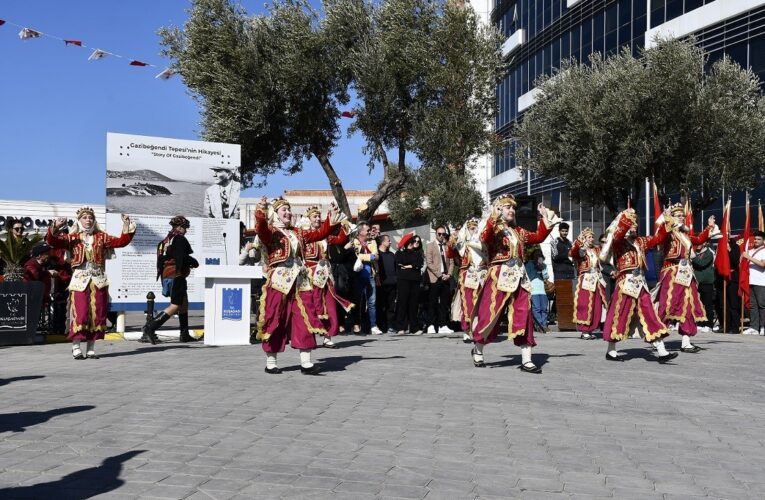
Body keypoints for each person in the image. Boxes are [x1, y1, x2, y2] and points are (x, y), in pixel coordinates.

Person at [248, 196, 342, 374]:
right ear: (275, 214)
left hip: (300, 281)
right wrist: (260, 210)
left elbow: (319, 234)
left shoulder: (298, 232)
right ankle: (271, 362)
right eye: (284, 210)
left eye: (289, 210)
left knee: (305, 317)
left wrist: (331, 217)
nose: (288, 213)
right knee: (276, 318)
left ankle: (306, 362)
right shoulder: (271, 231)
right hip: (279, 281)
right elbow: (260, 228)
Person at [471, 195, 560, 373]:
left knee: (524, 314)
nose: (511, 210)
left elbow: (538, 237)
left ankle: (526, 359)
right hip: (498, 276)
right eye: (507, 207)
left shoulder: (518, 231)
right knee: (490, 315)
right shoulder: (493, 228)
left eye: (512, 208)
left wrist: (544, 218)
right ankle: (478, 348)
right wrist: (492, 217)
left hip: (520, 276)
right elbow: (483, 237)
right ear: (498, 209)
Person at [46, 208, 135, 360]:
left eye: (90, 218)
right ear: (79, 221)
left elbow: (121, 242)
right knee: (81, 313)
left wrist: (126, 225)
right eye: (85, 217)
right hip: (80, 280)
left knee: (97, 315)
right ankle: (76, 347)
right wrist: (55, 226)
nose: (88, 220)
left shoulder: (101, 237)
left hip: (98, 280)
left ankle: (91, 348)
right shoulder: (72, 238)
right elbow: (52, 241)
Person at [601, 208, 676, 363]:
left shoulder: (641, 241)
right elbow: (619, 233)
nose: (634, 226)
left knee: (650, 314)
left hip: (640, 283)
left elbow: (658, 238)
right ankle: (611, 350)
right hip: (625, 283)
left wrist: (667, 220)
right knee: (619, 314)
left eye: (635, 223)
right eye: (631, 224)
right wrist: (626, 217)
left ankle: (662, 351)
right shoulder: (618, 241)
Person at [655, 204, 716, 352]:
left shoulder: (685, 235)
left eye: (682, 215)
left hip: (686, 272)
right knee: (669, 304)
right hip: (671, 272)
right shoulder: (667, 233)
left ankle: (686, 341)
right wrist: (666, 219)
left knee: (689, 304)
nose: (682, 217)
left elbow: (700, 239)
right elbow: (660, 235)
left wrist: (709, 227)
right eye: (678, 215)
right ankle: (656, 337)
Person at [142, 215, 200, 344]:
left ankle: (184, 334)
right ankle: (150, 328)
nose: (186, 230)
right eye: (185, 228)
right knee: (175, 305)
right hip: (176, 275)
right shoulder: (179, 238)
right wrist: (194, 261)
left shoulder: (167, 240)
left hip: (168, 275)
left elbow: (166, 258)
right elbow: (181, 256)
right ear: (179, 227)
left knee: (184, 303)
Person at [302, 205, 354, 348]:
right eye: (315, 216)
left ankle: (327, 336)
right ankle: (309, 335)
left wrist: (344, 225)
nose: (318, 219)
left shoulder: (326, 236)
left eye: (319, 216)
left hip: (325, 274)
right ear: (309, 219)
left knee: (329, 304)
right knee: (311, 305)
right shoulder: (304, 234)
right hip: (309, 275)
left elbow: (340, 240)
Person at [449, 218, 488, 343]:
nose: (474, 230)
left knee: (482, 304)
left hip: (482, 275)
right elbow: (450, 254)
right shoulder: (462, 243)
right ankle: (466, 330)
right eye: (472, 228)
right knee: (468, 304)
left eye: (476, 228)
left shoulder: (483, 243)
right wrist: (452, 241)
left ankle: (479, 329)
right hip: (468, 276)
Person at [570, 228, 608, 340]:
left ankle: (592, 328)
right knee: (586, 304)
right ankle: (584, 330)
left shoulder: (596, 249)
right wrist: (579, 241)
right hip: (586, 278)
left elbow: (605, 255)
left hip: (596, 278)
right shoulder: (581, 250)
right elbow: (573, 252)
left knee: (596, 303)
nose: (592, 239)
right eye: (589, 237)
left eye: (592, 237)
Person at [351, 222, 381, 335]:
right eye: (367, 230)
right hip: (358, 275)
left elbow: (376, 256)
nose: (370, 232)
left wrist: (365, 257)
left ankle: (373, 325)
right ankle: (357, 325)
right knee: (359, 301)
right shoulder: (354, 242)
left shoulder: (372, 241)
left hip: (370, 275)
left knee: (372, 301)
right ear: (360, 232)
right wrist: (370, 256)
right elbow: (356, 256)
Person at [425, 226, 455, 334]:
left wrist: (449, 274)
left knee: (444, 303)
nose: (441, 236)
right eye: (439, 234)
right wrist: (439, 274)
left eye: (444, 234)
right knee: (432, 302)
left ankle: (443, 325)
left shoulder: (448, 246)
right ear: (436, 234)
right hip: (435, 277)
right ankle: (431, 325)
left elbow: (451, 262)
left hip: (446, 278)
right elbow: (429, 263)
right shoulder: (430, 246)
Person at [394, 232, 424, 335]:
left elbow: (419, 264)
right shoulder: (399, 253)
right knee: (402, 303)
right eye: (410, 242)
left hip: (415, 281)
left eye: (413, 242)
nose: (412, 244)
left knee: (413, 305)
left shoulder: (417, 254)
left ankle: (414, 328)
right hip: (403, 280)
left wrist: (409, 266)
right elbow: (400, 263)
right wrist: (412, 266)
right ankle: (400, 327)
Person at [742, 230, 765, 335]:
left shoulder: (763, 250)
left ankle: (763, 326)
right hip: (750, 282)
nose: (756, 240)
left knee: (762, 305)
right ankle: (754, 327)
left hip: (761, 282)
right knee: (753, 306)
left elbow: (762, 264)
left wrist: (749, 257)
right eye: (755, 239)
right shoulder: (750, 251)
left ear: (763, 241)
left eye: (759, 239)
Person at [692, 242, 715, 333]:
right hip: (697, 282)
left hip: (706, 282)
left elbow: (702, 263)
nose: (698, 244)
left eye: (700, 243)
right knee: (698, 304)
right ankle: (700, 323)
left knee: (708, 304)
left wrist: (693, 256)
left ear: (705, 244)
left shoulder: (709, 253)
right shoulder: (695, 252)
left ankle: (709, 324)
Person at [376, 234, 397, 334]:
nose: (390, 242)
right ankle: (380, 326)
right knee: (380, 306)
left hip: (392, 285)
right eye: (388, 240)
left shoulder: (392, 255)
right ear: (382, 242)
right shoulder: (377, 255)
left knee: (391, 307)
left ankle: (390, 326)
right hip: (381, 285)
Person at [525, 249, 550, 334]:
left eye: (539, 255)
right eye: (536, 255)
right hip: (533, 289)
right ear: (533, 256)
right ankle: (539, 325)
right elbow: (528, 276)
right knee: (537, 308)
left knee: (544, 308)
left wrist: (542, 268)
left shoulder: (544, 265)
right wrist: (536, 269)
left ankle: (544, 325)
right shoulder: (529, 264)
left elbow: (546, 277)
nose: (538, 256)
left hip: (542, 289)